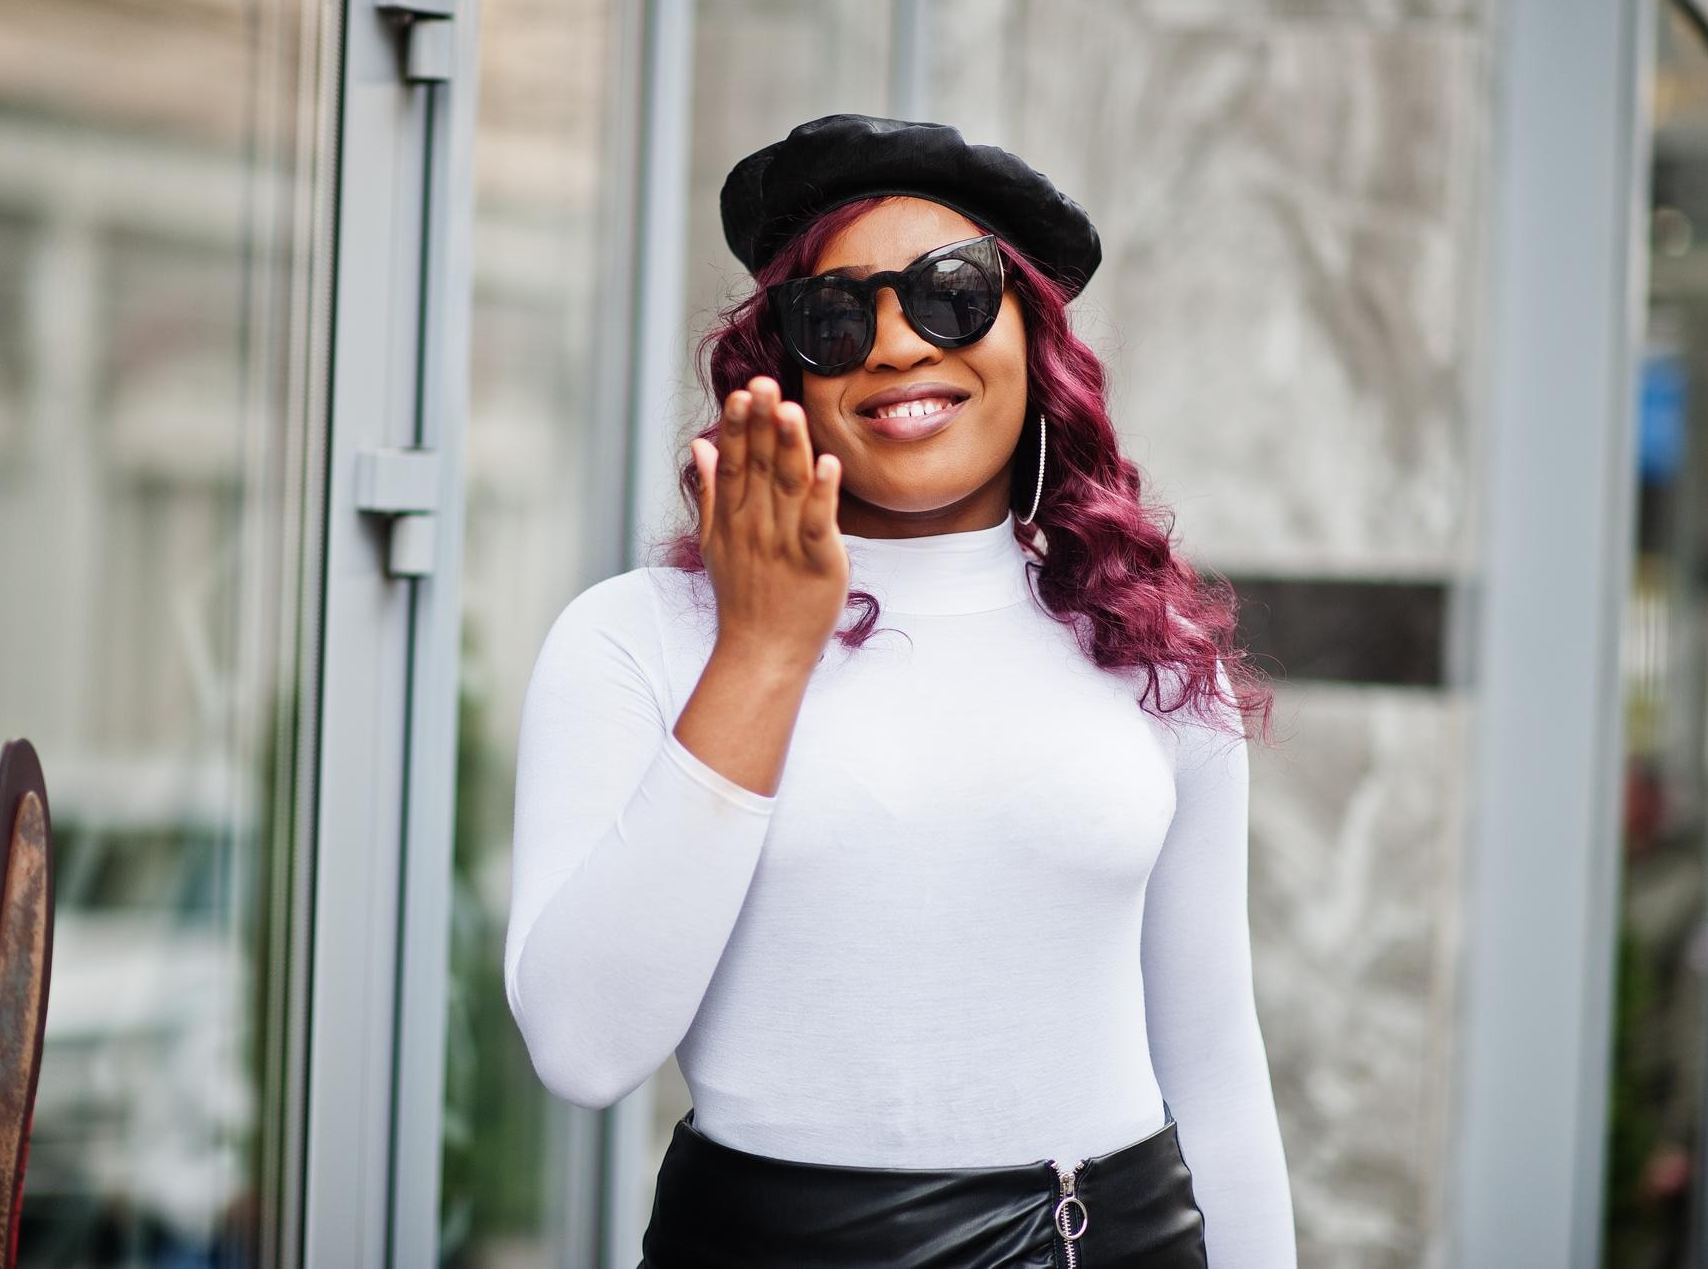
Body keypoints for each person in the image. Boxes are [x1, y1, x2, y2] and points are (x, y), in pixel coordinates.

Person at [503, 113, 1298, 1267]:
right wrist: (762, 650)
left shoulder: (1142, 640)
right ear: (783, 369)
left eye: (951, 294)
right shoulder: (634, 637)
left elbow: (1216, 1069)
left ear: (1033, 338)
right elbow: (582, 1048)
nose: (894, 346)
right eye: (835, 316)